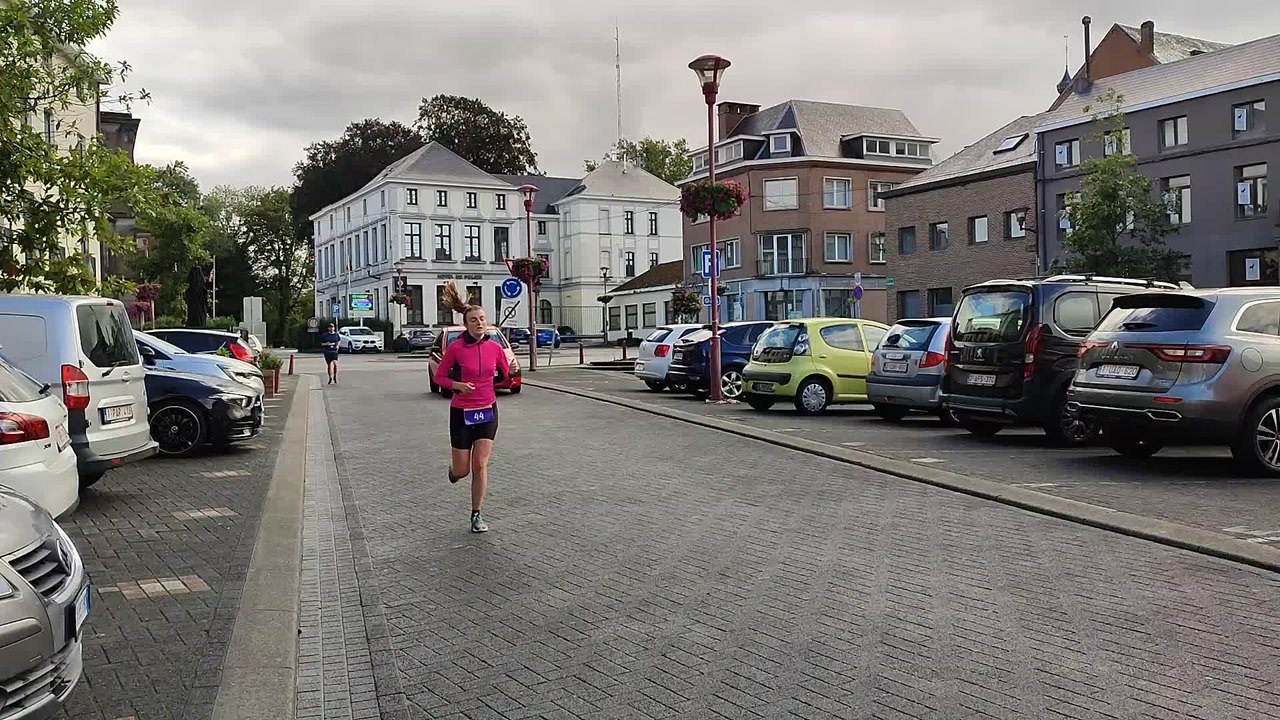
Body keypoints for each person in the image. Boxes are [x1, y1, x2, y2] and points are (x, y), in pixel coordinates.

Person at [432, 289, 515, 533]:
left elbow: (505, 376)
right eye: (474, 320)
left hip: (487, 410)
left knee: (480, 465)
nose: (479, 323)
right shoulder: (456, 349)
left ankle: (476, 514)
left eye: (482, 319)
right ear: (465, 324)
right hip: (461, 413)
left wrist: (509, 370)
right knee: (463, 470)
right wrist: (457, 385)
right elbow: (440, 377)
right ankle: (454, 471)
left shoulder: (495, 348)